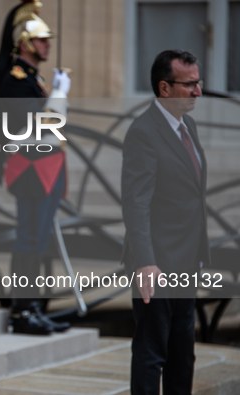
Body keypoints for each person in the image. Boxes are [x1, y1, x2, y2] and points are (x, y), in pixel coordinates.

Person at [121, 50, 209, 394]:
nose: (198, 91)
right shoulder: (143, 132)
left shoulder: (189, 126)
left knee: (182, 355)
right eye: (190, 84)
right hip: (156, 265)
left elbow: (192, 198)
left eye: (198, 82)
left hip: (187, 262)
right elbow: (136, 203)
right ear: (165, 88)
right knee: (151, 353)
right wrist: (145, 262)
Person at [0, 2, 71, 335]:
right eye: (41, 40)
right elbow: (38, 125)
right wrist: (59, 96)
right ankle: (22, 310)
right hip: (30, 168)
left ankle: (34, 305)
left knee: (39, 239)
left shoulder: (30, 77)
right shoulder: (16, 78)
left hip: (46, 166)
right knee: (29, 238)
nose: (47, 45)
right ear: (25, 43)